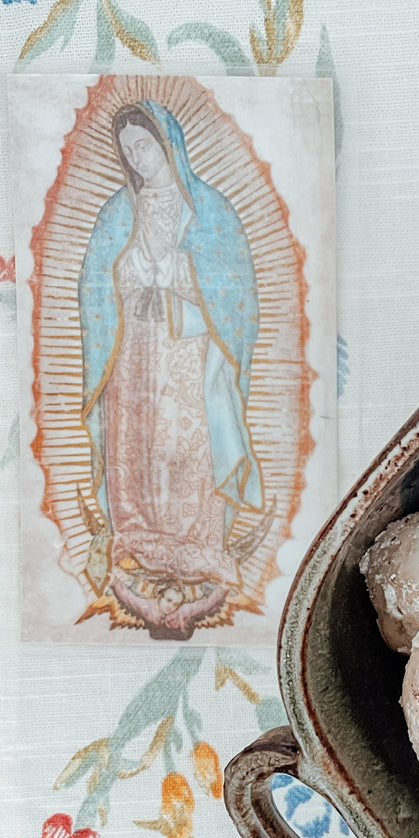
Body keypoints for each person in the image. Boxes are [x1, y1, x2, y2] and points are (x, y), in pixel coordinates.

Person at [78, 100, 262, 639]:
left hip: (188, 348)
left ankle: (198, 544)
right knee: (138, 444)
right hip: (133, 350)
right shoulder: (117, 212)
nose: (138, 156)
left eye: (145, 145)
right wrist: (131, 280)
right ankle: (136, 535)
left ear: (169, 146)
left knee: (186, 443)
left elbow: (236, 296)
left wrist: (179, 280)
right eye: (129, 149)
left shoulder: (208, 211)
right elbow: (95, 286)